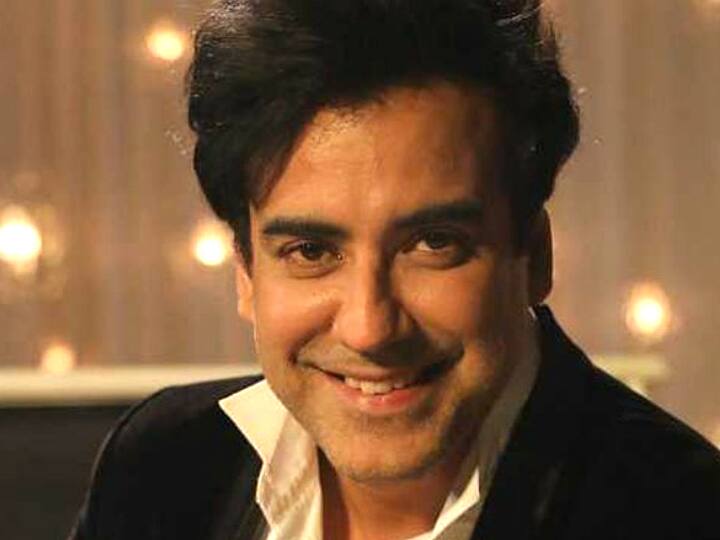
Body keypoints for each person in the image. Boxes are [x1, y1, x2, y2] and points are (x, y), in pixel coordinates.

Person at [70, 1, 720, 539]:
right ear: (245, 270)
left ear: (534, 256)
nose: (369, 328)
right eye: (311, 252)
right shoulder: (165, 467)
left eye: (433, 244)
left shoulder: (682, 513)